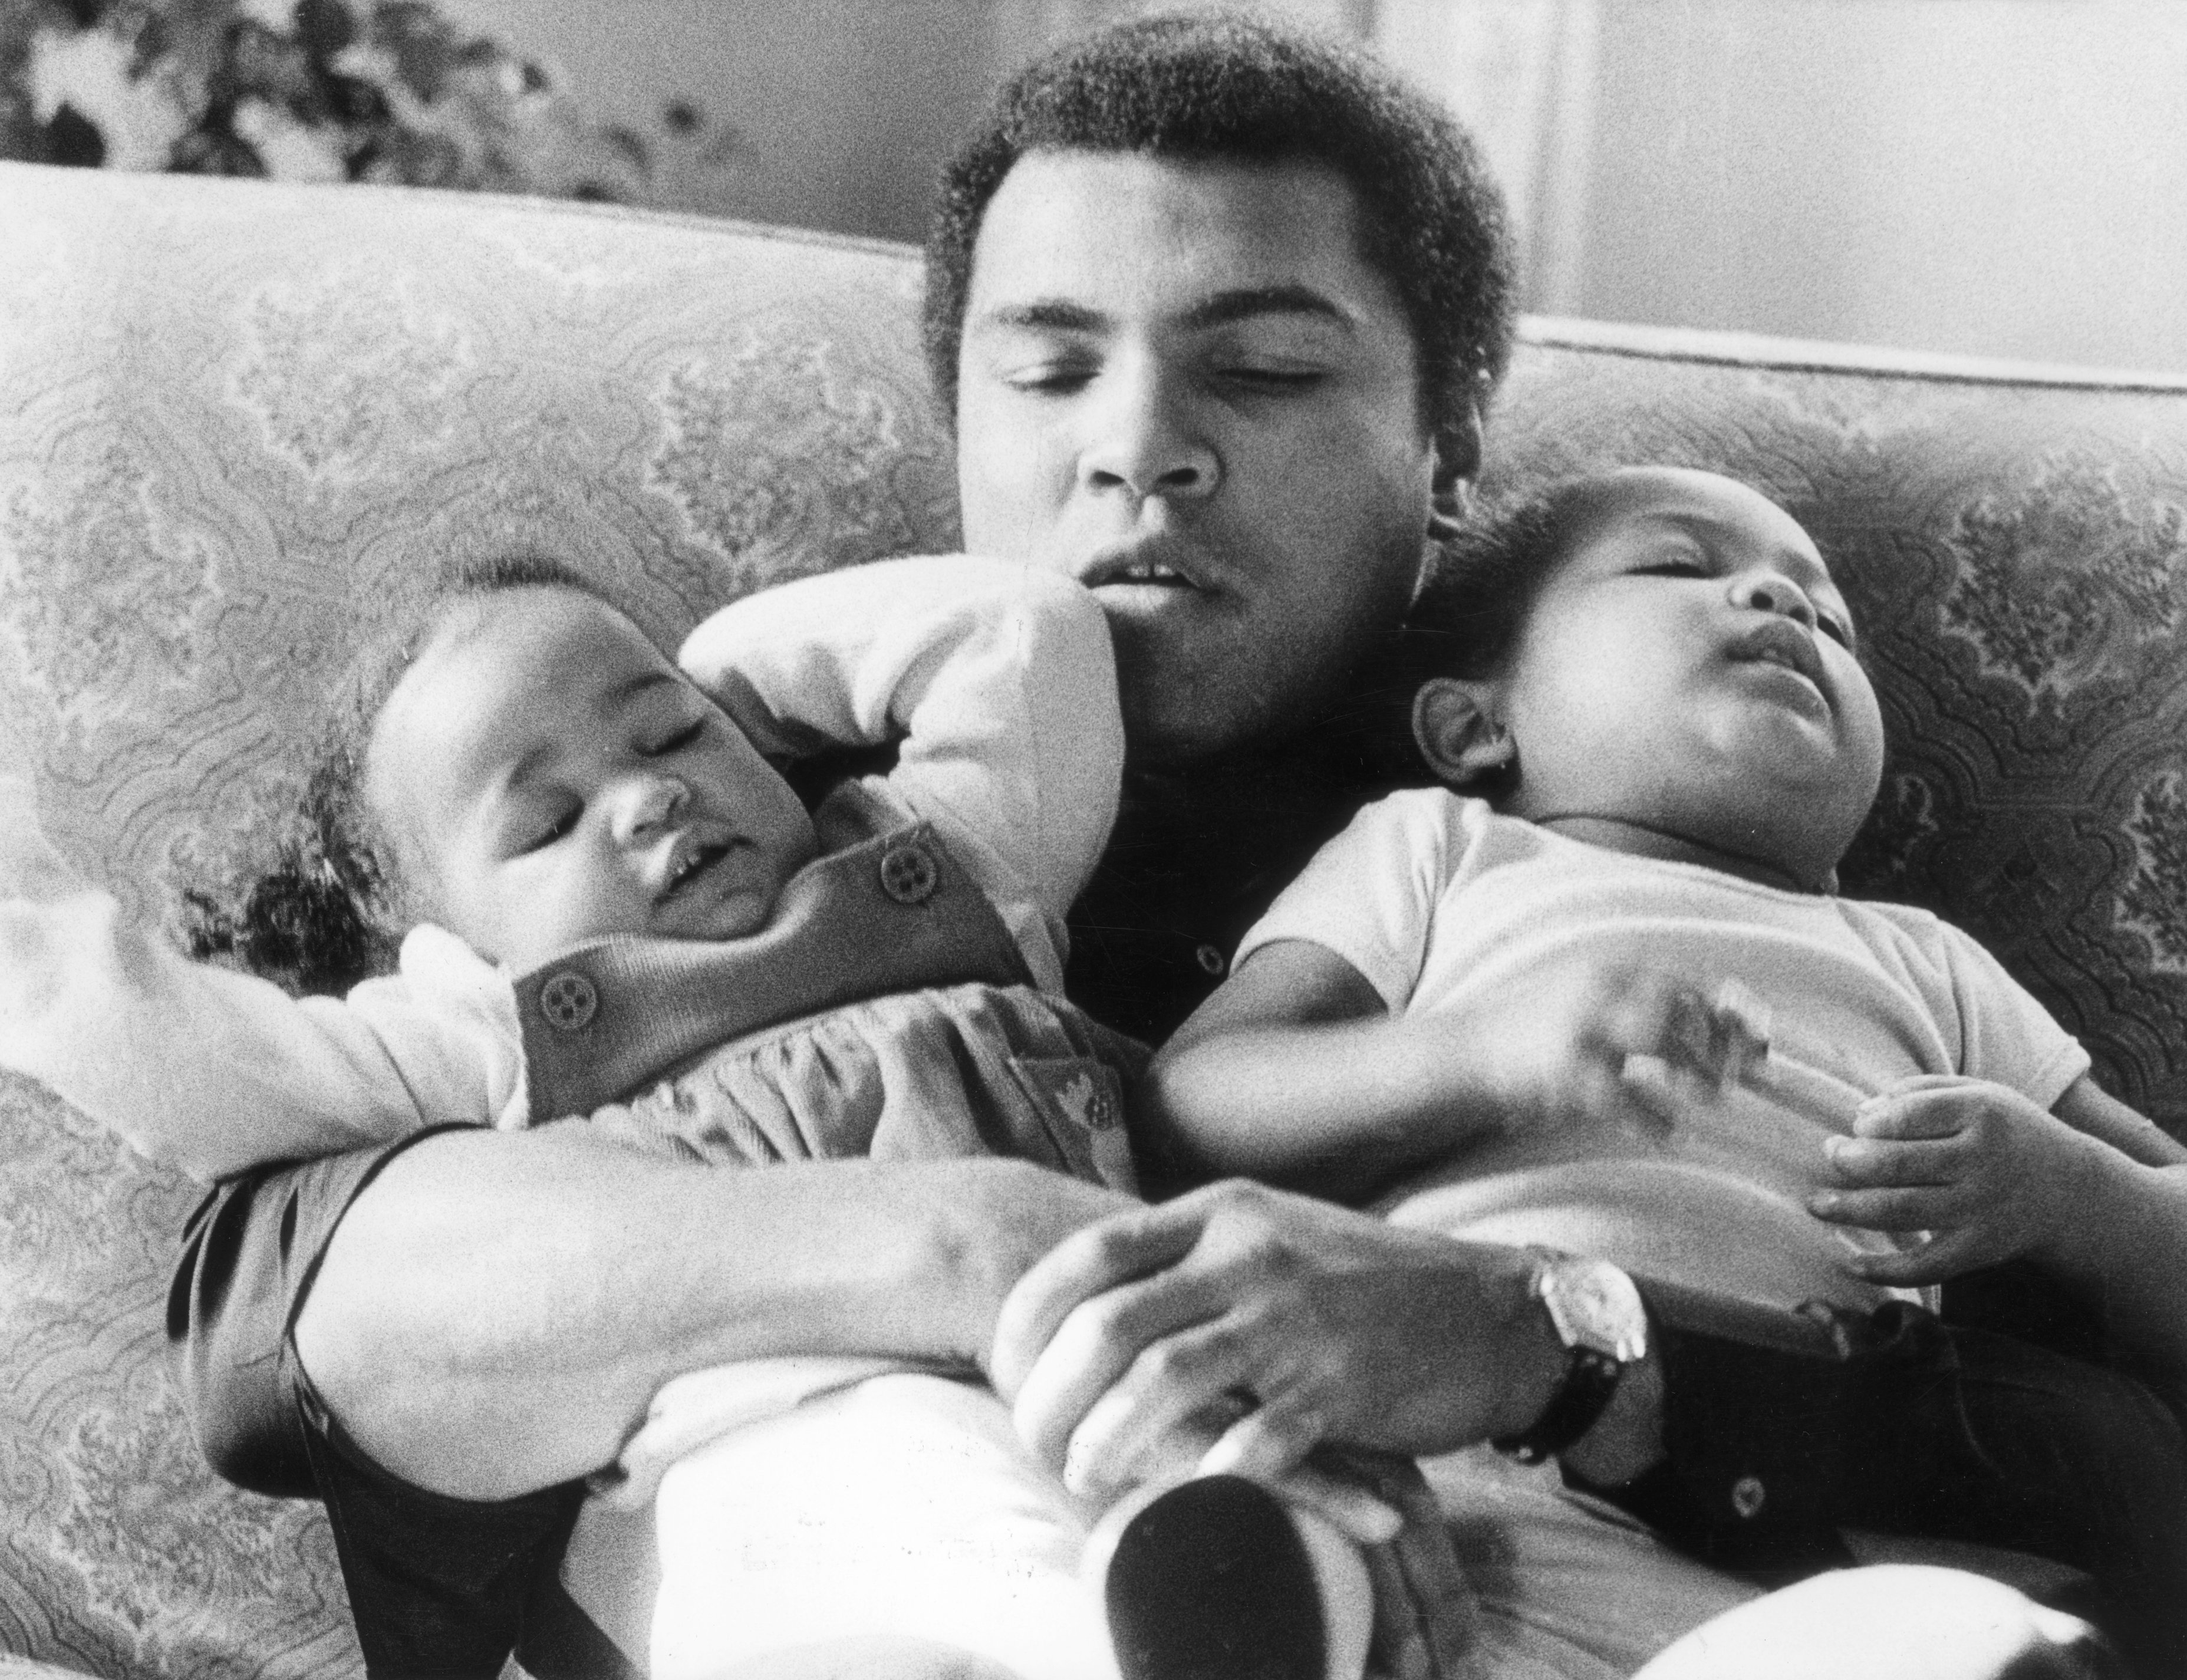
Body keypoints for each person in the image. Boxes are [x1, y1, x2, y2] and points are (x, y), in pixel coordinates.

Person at [153, 12, 2113, 1680]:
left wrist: (1547, 1345)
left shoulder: (1591, 849)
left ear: (1450, 451)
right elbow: (308, 1314)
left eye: (1263, 370)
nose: (1141, 447)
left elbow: (2061, 1436)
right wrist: (1003, 1241)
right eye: (1052, 367)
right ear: (958, 432)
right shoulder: (731, 817)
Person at [1138, 466, 2187, 1672]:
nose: (1780, 603)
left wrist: (2070, 1196)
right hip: (1452, 1491)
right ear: (1475, 724)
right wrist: (1479, 1057)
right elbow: (1188, 1106)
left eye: (1828, 620)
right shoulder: (1439, 850)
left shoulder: (1928, 959)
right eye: (1678, 565)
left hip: (1807, 1528)